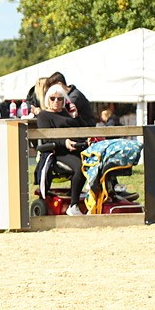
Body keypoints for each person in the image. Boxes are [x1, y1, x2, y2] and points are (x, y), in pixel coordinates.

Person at [35, 84, 89, 215]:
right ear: (47, 99)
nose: (56, 102)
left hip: (76, 148)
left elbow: (85, 129)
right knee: (80, 167)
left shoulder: (66, 113)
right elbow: (47, 139)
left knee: (98, 161)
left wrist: (76, 116)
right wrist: (64, 143)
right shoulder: (44, 116)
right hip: (57, 152)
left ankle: (107, 194)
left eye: (60, 99)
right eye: (52, 98)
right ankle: (74, 205)